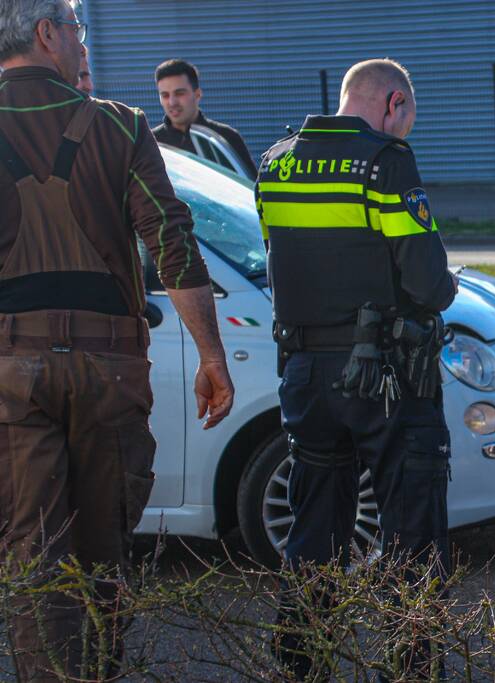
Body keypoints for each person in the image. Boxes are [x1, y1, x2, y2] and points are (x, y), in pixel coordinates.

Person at [0, 1, 235, 680]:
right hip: (110, 372)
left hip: (13, 372)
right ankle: (97, 670)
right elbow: (172, 241)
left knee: (32, 551)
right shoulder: (121, 125)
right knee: (104, 550)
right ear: (47, 33)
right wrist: (211, 357)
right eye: (74, 28)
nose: (80, 41)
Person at [256, 58, 457, 680]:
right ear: (394, 103)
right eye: (408, 120)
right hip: (386, 380)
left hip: (306, 377)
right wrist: (446, 286)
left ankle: (300, 666)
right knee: (411, 535)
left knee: (313, 530)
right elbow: (425, 280)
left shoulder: (275, 163)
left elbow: (280, 259)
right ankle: (409, 669)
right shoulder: (385, 161)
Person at [151, 58, 257, 178]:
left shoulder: (224, 138)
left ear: (197, 94)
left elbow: (250, 187)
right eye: (165, 95)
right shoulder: (151, 142)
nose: (172, 102)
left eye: (179, 93)